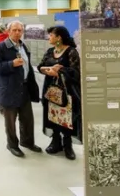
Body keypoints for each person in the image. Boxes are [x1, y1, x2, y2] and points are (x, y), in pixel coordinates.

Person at [0, 21, 41, 158]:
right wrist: (11, 64)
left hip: (24, 87)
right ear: (8, 31)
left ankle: (27, 142)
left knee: (27, 118)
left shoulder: (23, 46)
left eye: (20, 30)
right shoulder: (1, 47)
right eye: (14, 30)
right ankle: (12, 145)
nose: (17, 32)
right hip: (9, 88)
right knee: (10, 121)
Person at [37, 26, 82, 160]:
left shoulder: (71, 52)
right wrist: (49, 69)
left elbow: (76, 72)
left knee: (66, 117)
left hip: (66, 91)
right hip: (51, 90)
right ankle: (55, 142)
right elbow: (40, 66)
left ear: (59, 37)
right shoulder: (50, 51)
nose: (48, 37)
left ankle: (67, 145)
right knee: (52, 116)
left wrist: (60, 71)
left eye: (51, 35)